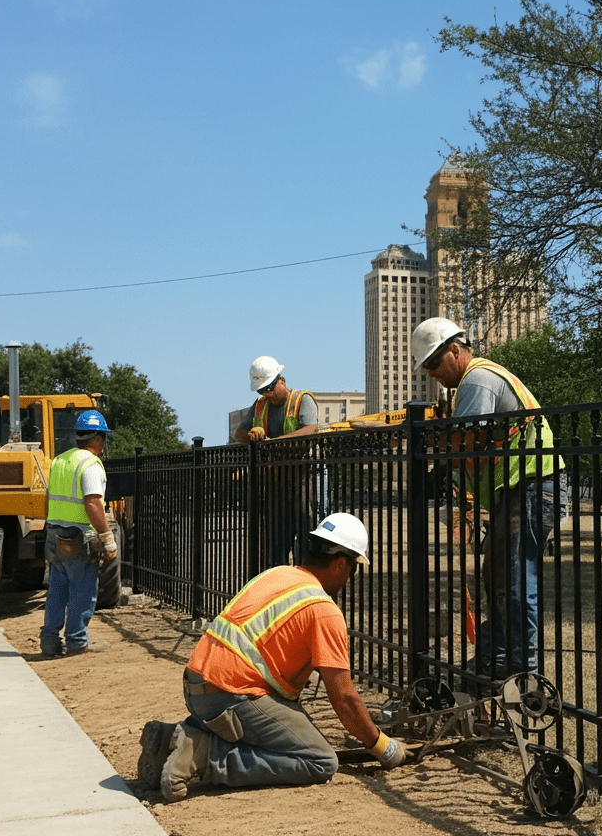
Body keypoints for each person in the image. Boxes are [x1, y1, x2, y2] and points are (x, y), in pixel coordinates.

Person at [136, 513, 409, 802]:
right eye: (353, 568)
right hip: (231, 698)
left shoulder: (277, 574)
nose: (349, 577)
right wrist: (381, 746)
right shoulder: (322, 608)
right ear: (341, 563)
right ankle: (205, 757)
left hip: (196, 687)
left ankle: (172, 737)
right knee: (320, 760)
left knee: (280, 726)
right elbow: (343, 698)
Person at [410, 317, 561, 678]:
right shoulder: (470, 383)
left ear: (455, 351)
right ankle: (494, 661)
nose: (431, 372)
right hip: (517, 490)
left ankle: (524, 673)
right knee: (496, 579)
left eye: (433, 363)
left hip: (529, 486)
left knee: (513, 583)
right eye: (426, 367)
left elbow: (466, 440)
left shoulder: (477, 378)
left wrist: (427, 441)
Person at [39, 410, 118, 657]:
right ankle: (77, 641)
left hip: (54, 532)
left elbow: (47, 499)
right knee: (82, 588)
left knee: (57, 589)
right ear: (98, 438)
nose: (104, 443)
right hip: (77, 535)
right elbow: (93, 503)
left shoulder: (60, 461)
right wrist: (107, 538)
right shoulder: (91, 464)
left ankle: (50, 642)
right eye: (104, 437)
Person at [233, 355, 319, 565]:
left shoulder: (301, 399)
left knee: (306, 532)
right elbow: (240, 434)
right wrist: (252, 433)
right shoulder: (260, 404)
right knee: (275, 539)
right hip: (274, 479)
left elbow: (310, 430)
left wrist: (272, 443)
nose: (267, 394)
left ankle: (304, 578)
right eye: (262, 390)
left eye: (269, 388)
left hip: (302, 477)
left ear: (282, 380)